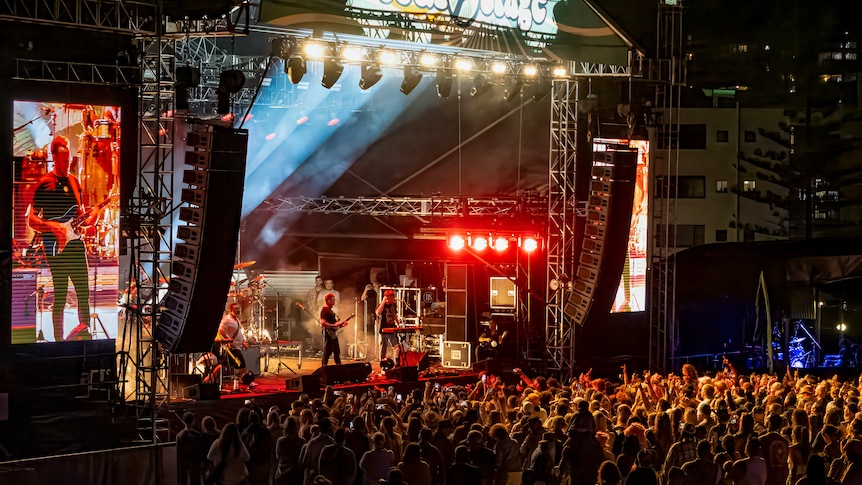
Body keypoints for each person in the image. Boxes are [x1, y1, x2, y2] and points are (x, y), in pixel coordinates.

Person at [28, 135, 93, 342]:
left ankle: (85, 336)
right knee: (61, 294)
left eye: (69, 160)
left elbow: (81, 215)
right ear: (54, 158)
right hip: (56, 247)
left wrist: (91, 219)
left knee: (84, 292)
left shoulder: (75, 183)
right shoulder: (44, 184)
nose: (67, 164)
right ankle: (58, 342)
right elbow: (31, 220)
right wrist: (53, 227)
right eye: (63, 160)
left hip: (75, 244)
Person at [217, 303, 249, 379]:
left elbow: (239, 332)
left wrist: (243, 341)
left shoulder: (236, 319)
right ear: (231, 310)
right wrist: (227, 341)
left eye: (238, 308)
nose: (238, 310)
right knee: (241, 363)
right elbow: (221, 331)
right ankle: (246, 380)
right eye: (236, 308)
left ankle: (244, 379)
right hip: (232, 347)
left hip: (237, 346)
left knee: (241, 364)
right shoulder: (226, 319)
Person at [320, 293, 350, 366]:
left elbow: (335, 326)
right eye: (333, 300)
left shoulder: (331, 311)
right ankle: (324, 368)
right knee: (327, 353)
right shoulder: (324, 310)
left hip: (333, 334)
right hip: (328, 334)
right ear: (328, 300)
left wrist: (341, 325)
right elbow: (322, 323)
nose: (334, 302)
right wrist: (334, 325)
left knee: (336, 352)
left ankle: (339, 368)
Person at [376, 290, 399, 363]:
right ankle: (382, 363)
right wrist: (383, 302)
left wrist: (398, 324)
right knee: (384, 348)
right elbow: (378, 312)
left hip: (392, 328)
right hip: (384, 329)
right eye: (390, 298)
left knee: (396, 347)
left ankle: (396, 362)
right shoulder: (381, 305)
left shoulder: (393, 305)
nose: (392, 299)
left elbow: (394, 315)